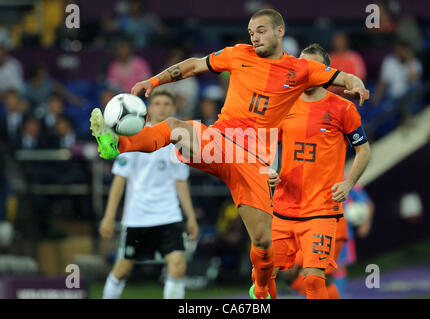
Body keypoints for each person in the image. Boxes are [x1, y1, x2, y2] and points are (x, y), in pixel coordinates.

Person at [90, 8, 369, 299]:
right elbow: (195, 65)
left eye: (261, 31)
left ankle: (261, 288)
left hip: (253, 164)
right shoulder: (238, 54)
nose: (255, 37)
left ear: (279, 31)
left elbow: (342, 77)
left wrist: (356, 84)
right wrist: (155, 81)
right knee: (174, 127)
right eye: (251, 32)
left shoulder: (300, 69)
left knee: (262, 243)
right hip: (221, 143)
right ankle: (117, 144)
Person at [268, 43, 371, 299]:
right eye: (302, 65)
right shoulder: (284, 104)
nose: (307, 71)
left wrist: (348, 185)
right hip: (287, 208)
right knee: (286, 273)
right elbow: (267, 143)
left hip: (323, 210)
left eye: (314, 66)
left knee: (314, 278)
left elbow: (364, 151)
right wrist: (269, 169)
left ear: (326, 72)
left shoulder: (343, 108)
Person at [99, 90, 199, 299]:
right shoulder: (135, 135)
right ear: (148, 110)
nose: (161, 107)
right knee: (122, 270)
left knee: (178, 266)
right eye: (157, 103)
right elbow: (119, 179)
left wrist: (190, 217)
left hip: (169, 214)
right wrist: (109, 217)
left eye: (166, 104)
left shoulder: (179, 140)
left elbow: (180, 182)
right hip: (138, 216)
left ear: (173, 109)